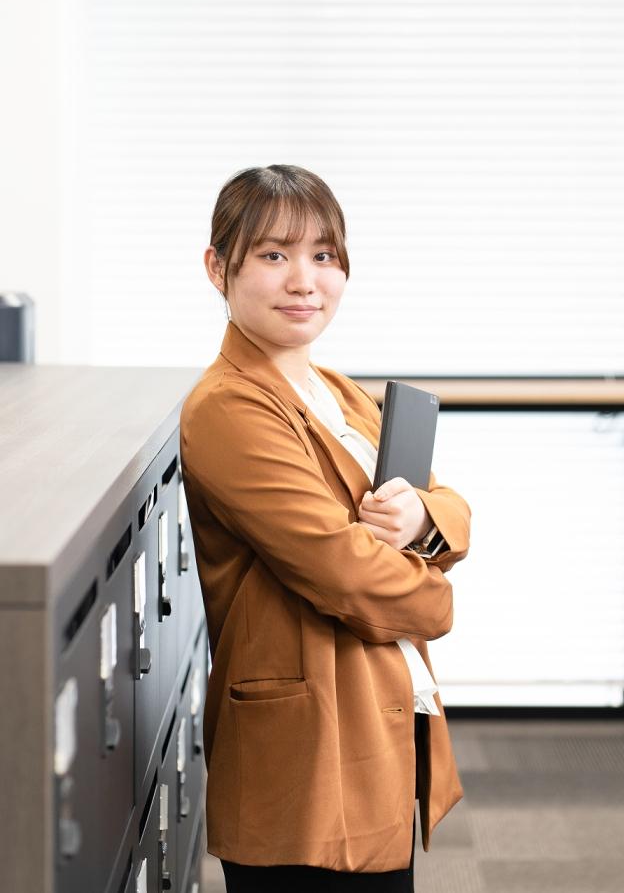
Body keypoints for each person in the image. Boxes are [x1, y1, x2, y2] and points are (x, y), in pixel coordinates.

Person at [179, 164, 471, 892]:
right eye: (274, 255)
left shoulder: (335, 389)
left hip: (373, 715)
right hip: (308, 748)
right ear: (219, 267)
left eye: (324, 256)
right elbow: (342, 568)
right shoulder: (229, 407)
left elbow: (450, 503)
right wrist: (437, 600)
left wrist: (422, 517)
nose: (304, 280)